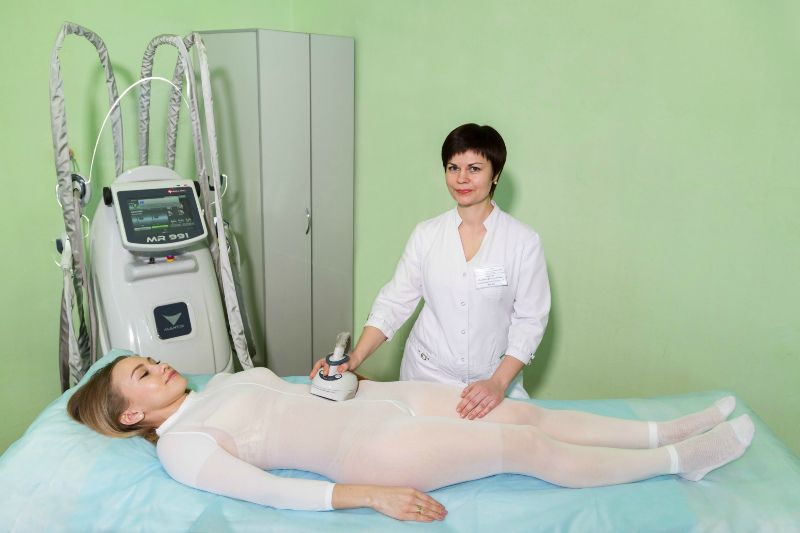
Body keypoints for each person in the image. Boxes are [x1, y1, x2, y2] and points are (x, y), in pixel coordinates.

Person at [69, 355, 754, 522]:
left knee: (522, 415)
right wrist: (371, 494)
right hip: (372, 448)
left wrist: (335, 375)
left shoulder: (215, 382)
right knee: (525, 449)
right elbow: (272, 491)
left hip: (379, 398)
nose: (157, 365)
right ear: (130, 415)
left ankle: (665, 427)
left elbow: (294, 397)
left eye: (148, 360)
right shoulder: (181, 444)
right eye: (142, 374)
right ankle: (679, 459)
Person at [311, 123, 550, 420]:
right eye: (453, 168)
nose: (461, 178)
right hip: (426, 377)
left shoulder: (523, 241)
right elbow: (395, 301)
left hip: (492, 381)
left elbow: (530, 320)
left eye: (474, 169)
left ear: (496, 174)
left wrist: (498, 383)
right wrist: (355, 357)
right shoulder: (427, 235)